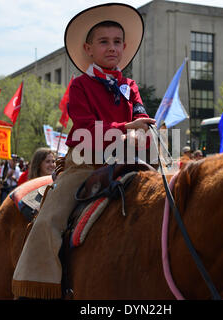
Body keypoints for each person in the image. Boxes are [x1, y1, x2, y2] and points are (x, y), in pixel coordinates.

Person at [12, 3, 154, 299]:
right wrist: (128, 129)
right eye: (104, 42)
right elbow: (85, 132)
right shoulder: (80, 86)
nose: (112, 47)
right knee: (50, 218)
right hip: (85, 164)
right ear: (89, 48)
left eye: (117, 42)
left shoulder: (131, 85)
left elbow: (142, 126)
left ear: (125, 47)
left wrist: (145, 134)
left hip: (127, 162)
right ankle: (36, 286)